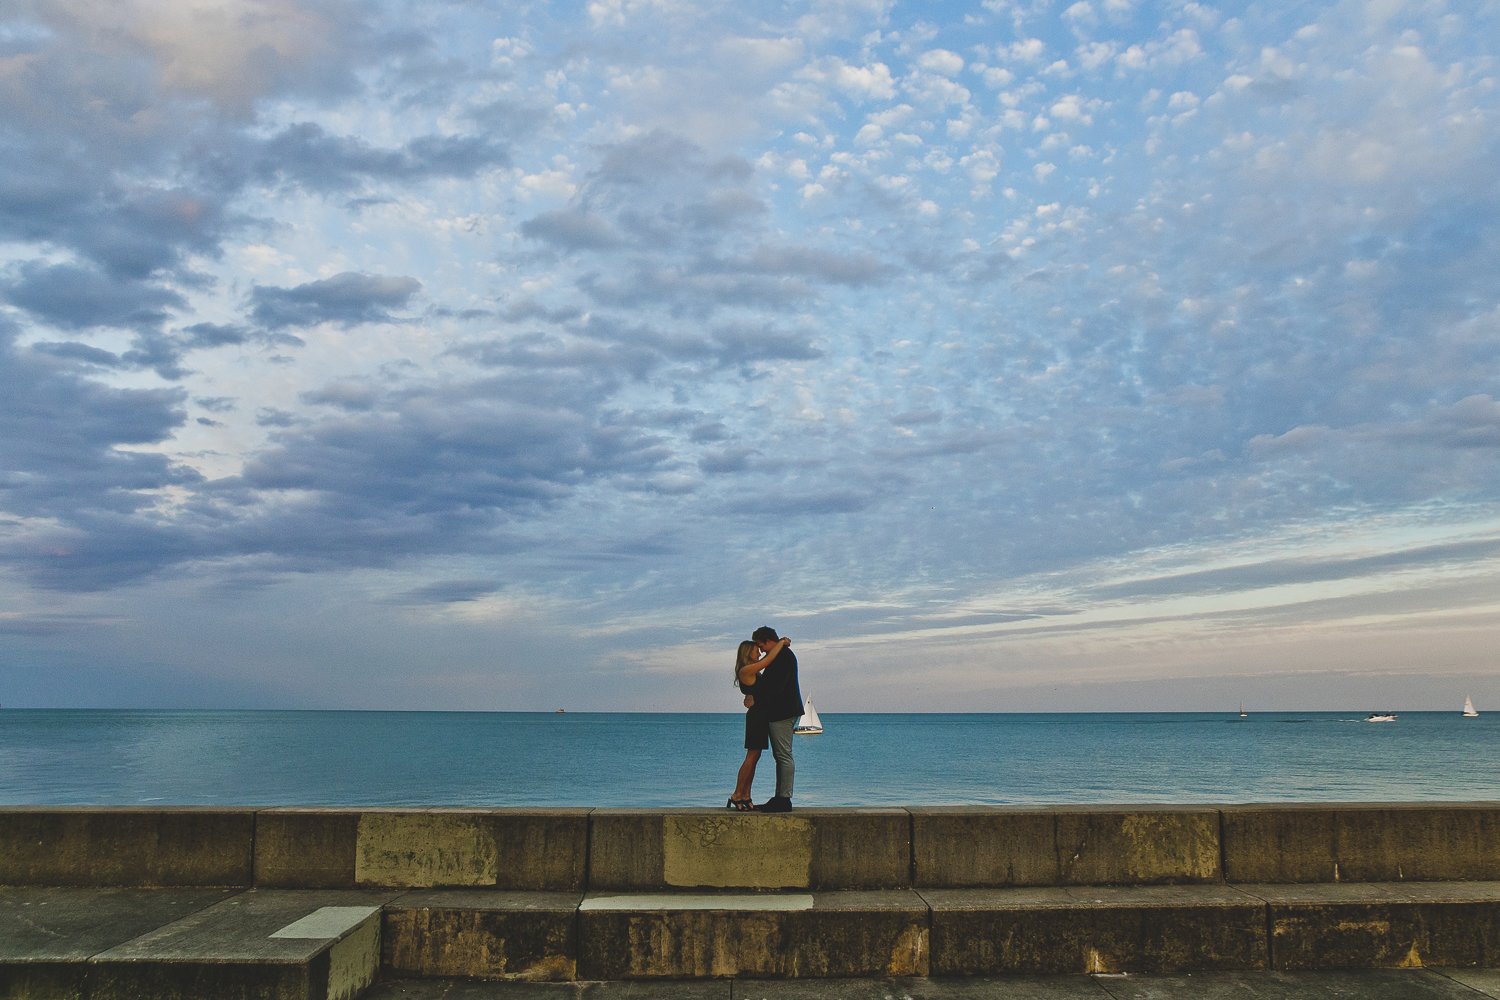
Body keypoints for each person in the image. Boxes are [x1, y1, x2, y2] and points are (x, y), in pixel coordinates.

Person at [727, 636, 789, 811]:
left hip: (760, 716)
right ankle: (737, 794)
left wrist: (752, 696)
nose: (760, 651)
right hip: (756, 718)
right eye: (756, 649)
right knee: (751, 757)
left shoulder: (752, 672)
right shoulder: (746, 670)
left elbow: (759, 691)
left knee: (755, 757)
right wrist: (781, 643)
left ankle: (746, 794)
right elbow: (769, 660)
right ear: (748, 652)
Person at [750, 624, 803, 812]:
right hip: (783, 711)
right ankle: (781, 797)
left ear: (768, 641)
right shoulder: (781, 655)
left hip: (783, 711)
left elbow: (775, 687)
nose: (762, 650)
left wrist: (756, 697)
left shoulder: (782, 657)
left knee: (783, 755)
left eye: (761, 645)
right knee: (781, 755)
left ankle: (784, 798)